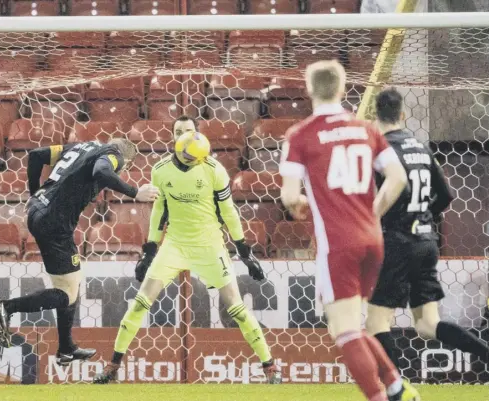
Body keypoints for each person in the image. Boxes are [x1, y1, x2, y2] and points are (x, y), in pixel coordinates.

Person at [94, 117, 281, 384]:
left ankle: (270, 368)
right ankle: (113, 367)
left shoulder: (214, 169)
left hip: (210, 245)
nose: (184, 135)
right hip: (175, 245)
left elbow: (228, 211)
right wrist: (149, 249)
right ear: (173, 137)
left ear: (198, 136)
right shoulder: (160, 170)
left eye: (189, 131)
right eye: (179, 132)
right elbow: (159, 210)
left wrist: (243, 249)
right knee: (139, 303)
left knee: (237, 308)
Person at [279, 60, 419, 401]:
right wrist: (373, 212)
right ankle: (397, 388)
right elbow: (399, 178)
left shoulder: (300, 135)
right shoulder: (366, 129)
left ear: (310, 90)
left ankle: (378, 396)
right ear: (343, 89)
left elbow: (287, 195)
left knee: (343, 331)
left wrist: (298, 203)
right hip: (373, 239)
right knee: (352, 326)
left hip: (338, 244)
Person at [0, 138, 158, 366]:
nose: (121, 168)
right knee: (67, 293)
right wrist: (134, 191)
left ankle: (66, 348)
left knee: (70, 283)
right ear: (126, 160)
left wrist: (34, 192)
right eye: (125, 167)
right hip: (55, 222)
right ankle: (5, 308)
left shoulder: (81, 147)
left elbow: (36, 155)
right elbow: (102, 171)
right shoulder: (113, 155)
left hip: (37, 211)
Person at [366, 88, 489, 369]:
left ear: (375, 116)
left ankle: (400, 392)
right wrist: (422, 216)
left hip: (396, 241)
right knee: (427, 324)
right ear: (403, 115)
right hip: (425, 241)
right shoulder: (421, 147)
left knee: (376, 322)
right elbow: (446, 196)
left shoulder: (381, 151)